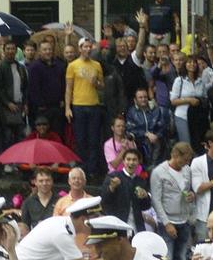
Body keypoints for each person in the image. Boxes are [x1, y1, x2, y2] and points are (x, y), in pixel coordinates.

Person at [150, 142, 195, 260]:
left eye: (188, 160)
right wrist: (166, 223)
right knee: (167, 255)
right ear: (175, 154)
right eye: (184, 159)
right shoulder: (159, 172)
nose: (186, 163)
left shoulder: (187, 170)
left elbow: (188, 190)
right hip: (168, 220)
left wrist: (191, 195)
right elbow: (156, 200)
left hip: (184, 219)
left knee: (182, 256)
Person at [65, 38, 104, 178]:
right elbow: (69, 88)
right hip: (78, 105)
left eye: (90, 47)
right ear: (80, 48)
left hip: (94, 105)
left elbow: (102, 86)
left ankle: (92, 169)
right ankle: (82, 167)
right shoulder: (73, 65)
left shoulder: (97, 65)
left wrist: (96, 83)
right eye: (85, 47)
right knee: (81, 139)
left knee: (94, 139)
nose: (88, 49)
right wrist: (67, 108)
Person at [101, 148, 151, 233]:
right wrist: (112, 188)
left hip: (137, 226)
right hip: (117, 225)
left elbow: (145, 206)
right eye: (128, 159)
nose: (131, 162)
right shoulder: (113, 176)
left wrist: (145, 196)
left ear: (138, 162)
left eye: (134, 160)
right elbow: (104, 200)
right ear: (123, 161)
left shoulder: (141, 181)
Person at [27, 40, 66, 137]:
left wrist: (62, 98)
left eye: (49, 49)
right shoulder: (34, 67)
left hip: (57, 108)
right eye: (45, 50)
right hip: (42, 109)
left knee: (57, 135)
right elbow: (33, 89)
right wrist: (40, 104)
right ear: (39, 51)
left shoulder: (58, 65)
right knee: (43, 136)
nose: (48, 52)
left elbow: (62, 84)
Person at [0, 41, 29, 153]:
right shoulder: (0, 67)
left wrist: (25, 103)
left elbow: (25, 87)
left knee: (20, 134)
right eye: (8, 49)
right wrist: (8, 103)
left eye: (13, 49)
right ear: (4, 51)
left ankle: (19, 160)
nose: (10, 51)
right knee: (8, 136)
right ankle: (7, 162)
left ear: (16, 51)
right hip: (6, 107)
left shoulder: (21, 67)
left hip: (19, 105)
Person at [126, 87, 165, 168]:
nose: (143, 99)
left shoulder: (155, 109)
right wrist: (146, 134)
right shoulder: (131, 112)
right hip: (140, 142)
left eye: (145, 97)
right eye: (140, 97)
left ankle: (155, 167)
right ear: (135, 100)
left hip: (156, 140)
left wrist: (156, 135)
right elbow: (130, 130)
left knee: (159, 143)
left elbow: (162, 126)